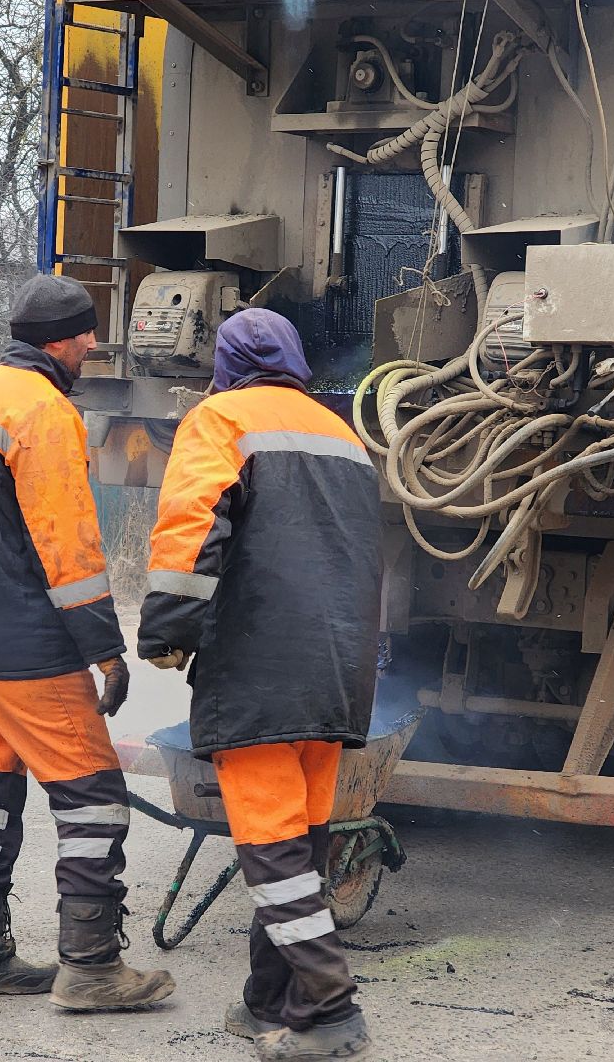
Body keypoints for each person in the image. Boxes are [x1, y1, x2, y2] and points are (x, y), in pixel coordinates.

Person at [0, 273, 174, 1012]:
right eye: (88, 335)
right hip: (27, 649)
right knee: (95, 801)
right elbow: (67, 545)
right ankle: (92, 970)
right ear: (61, 341)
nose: (94, 346)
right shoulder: (45, 412)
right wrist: (105, 646)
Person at [138, 308, 381, 1061]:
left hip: (261, 670)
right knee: (299, 844)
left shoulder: (221, 419)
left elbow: (191, 527)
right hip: (337, 675)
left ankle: (333, 1010)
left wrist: (168, 632)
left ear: (227, 366)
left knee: (271, 853)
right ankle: (267, 1001)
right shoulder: (344, 437)